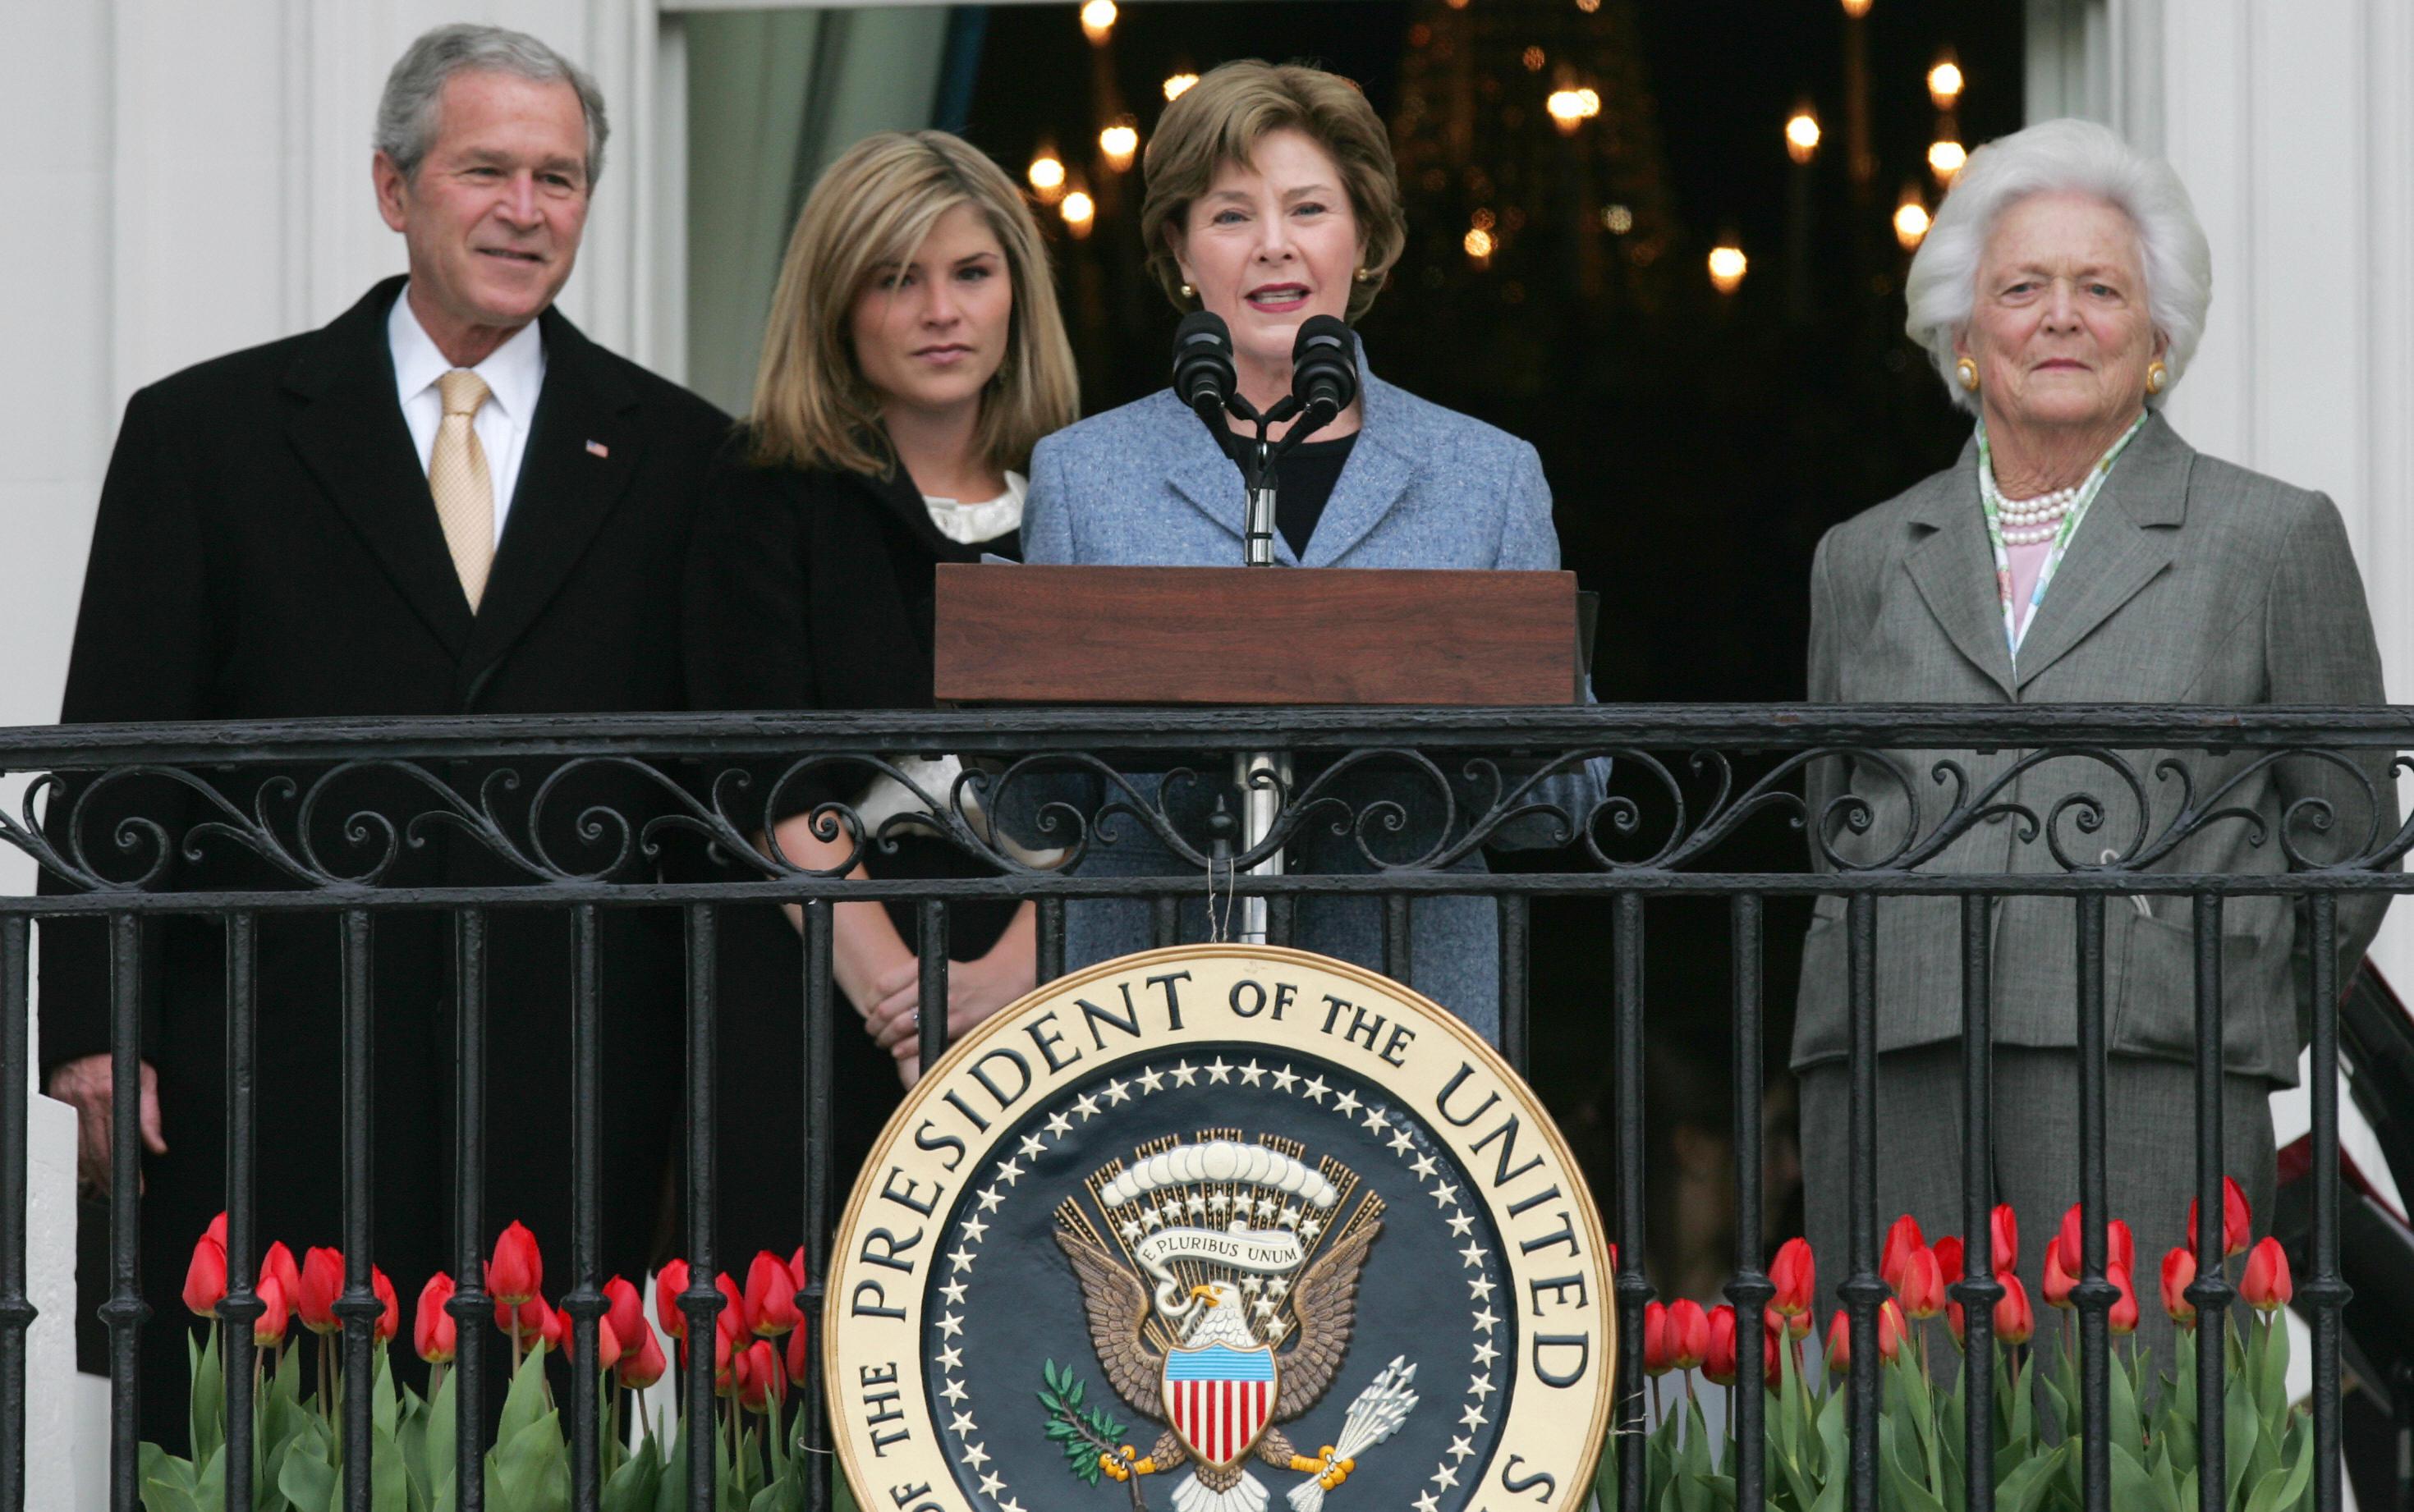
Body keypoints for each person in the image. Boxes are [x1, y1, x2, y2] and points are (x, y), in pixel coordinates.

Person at [39, 24, 729, 1436]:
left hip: (568, 1057)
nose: (527, 210)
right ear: (391, 186)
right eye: (488, 170)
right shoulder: (205, 434)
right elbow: (117, 752)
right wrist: (95, 1030)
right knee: (254, 1444)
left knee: (528, 1452)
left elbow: (702, 788)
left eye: (561, 177)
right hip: (266, 1049)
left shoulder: (682, 452)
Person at [1796, 118, 2395, 1354]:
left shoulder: (2270, 538)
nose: (2060, 317)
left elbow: (2351, 834)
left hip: (2154, 1064)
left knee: (2144, 1434)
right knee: (1908, 1436)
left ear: (2159, 336)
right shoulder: (1858, 557)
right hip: (1898, 1051)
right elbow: (1834, 821)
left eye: (2101, 288)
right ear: (1965, 335)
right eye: (2021, 288)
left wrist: (2216, 992)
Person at [1020, 60, 1596, 1042]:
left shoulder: (1488, 476)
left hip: (1418, 1027)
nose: (1274, 248)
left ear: (1365, 239)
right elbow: (1037, 804)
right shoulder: (1081, 474)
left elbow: (1571, 798)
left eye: (1310, 209)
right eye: (1232, 215)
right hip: (1151, 1021)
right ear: (1180, 247)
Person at [683, 131, 1079, 1248]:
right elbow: (763, 774)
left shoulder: (1083, 494)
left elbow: (1128, 781)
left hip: (1055, 1001)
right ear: (837, 306)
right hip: (820, 1001)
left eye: (970, 273)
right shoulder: (766, 490)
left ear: (1017, 293)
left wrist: (1014, 974)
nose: (939, 311)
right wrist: (908, 1005)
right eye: (896, 279)